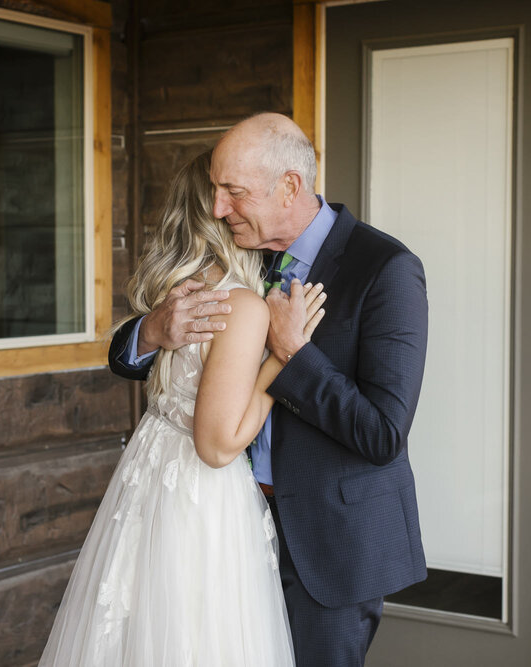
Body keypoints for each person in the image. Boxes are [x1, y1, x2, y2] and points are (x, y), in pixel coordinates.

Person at [108, 112, 429, 666]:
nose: (217, 209)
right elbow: (138, 360)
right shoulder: (240, 255)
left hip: (329, 542)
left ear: (289, 187)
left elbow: (382, 433)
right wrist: (153, 331)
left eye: (233, 192)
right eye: (214, 190)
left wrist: (295, 355)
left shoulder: (386, 269)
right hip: (227, 527)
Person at [40, 151, 325, 666]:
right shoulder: (240, 305)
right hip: (201, 493)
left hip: (151, 478)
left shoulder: (177, 289)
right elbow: (217, 447)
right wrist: (282, 358)